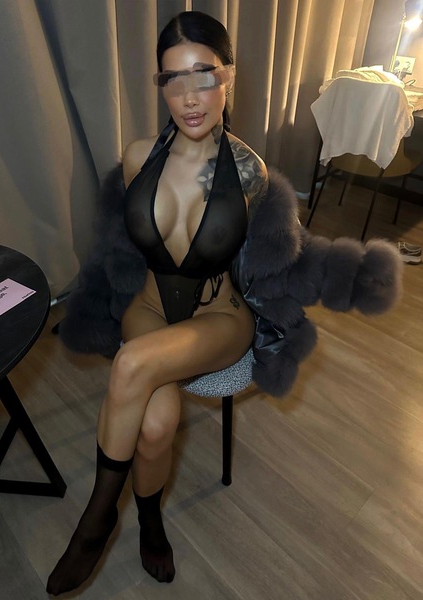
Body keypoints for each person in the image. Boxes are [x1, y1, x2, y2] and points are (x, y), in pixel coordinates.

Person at [47, 10, 401, 596]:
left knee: (132, 366)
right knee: (156, 424)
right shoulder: (137, 158)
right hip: (147, 307)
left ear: (228, 75)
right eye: (173, 79)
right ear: (160, 84)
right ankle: (151, 523)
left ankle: (96, 522)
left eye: (204, 75)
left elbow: (285, 257)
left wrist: (352, 275)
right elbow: (113, 247)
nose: (189, 97)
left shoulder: (251, 174)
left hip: (217, 317)